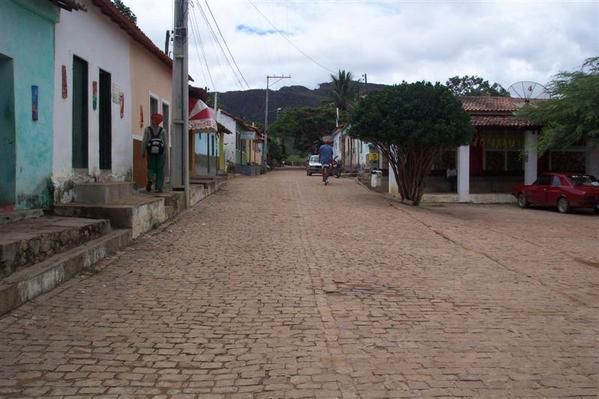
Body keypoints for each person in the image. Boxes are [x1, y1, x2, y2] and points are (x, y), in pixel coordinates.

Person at [142, 113, 166, 193]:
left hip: (150, 153)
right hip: (160, 154)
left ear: (152, 120)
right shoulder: (163, 131)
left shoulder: (147, 129)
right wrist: (165, 154)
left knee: (150, 168)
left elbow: (144, 141)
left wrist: (143, 152)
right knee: (160, 169)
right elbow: (165, 143)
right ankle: (159, 187)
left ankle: (150, 180)